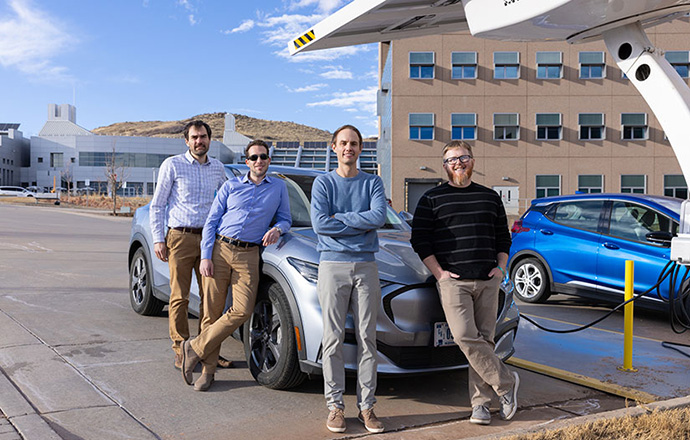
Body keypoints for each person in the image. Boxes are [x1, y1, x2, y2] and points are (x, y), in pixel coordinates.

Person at [410, 140, 519, 426]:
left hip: (488, 280)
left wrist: (501, 267)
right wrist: (440, 274)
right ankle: (506, 383)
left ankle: (480, 405)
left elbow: (502, 236)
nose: (458, 163)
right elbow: (419, 240)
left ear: (473, 161)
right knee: (464, 338)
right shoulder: (432, 199)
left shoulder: (489, 197)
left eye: (463, 157)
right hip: (453, 282)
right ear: (445, 166)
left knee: (484, 342)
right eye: (452, 159)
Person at [181, 139, 291, 391]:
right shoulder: (231, 186)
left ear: (269, 160)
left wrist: (277, 228)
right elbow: (211, 221)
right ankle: (208, 373)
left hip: (249, 254)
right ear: (247, 161)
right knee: (211, 313)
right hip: (220, 249)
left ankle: (194, 347)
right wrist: (206, 255)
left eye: (263, 157)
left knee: (242, 310)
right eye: (254, 157)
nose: (259, 161)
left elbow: (285, 218)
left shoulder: (279, 188)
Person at [310, 125, 388, 433]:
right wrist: (359, 223)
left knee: (368, 338)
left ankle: (366, 407)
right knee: (333, 339)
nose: (348, 148)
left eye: (354, 143)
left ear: (360, 149)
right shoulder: (323, 183)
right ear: (333, 147)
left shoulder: (372, 182)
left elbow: (379, 217)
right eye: (343, 143)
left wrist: (338, 219)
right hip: (332, 266)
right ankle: (335, 406)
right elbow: (319, 224)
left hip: (366, 266)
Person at [150, 120, 227, 370]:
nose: (199, 141)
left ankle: (206, 349)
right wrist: (158, 239)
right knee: (179, 297)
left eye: (203, 137)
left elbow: (227, 201)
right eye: (194, 137)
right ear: (186, 140)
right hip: (180, 238)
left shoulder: (218, 168)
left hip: (209, 240)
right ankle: (181, 348)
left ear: (209, 139)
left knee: (210, 298)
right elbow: (158, 205)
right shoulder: (173, 165)